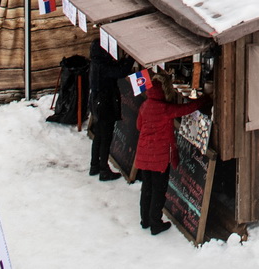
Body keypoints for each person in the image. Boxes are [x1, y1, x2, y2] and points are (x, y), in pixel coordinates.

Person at [135, 75, 203, 234]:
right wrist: (203, 101)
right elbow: (186, 109)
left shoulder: (145, 105)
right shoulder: (165, 108)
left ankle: (145, 219)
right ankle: (155, 222)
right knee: (158, 190)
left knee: (147, 188)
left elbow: (139, 126)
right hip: (159, 157)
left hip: (144, 155)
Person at [86, 43, 127, 179]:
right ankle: (104, 169)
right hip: (105, 105)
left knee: (99, 135)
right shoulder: (102, 66)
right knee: (106, 137)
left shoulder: (96, 63)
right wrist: (130, 59)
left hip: (97, 103)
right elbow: (120, 72)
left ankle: (94, 165)